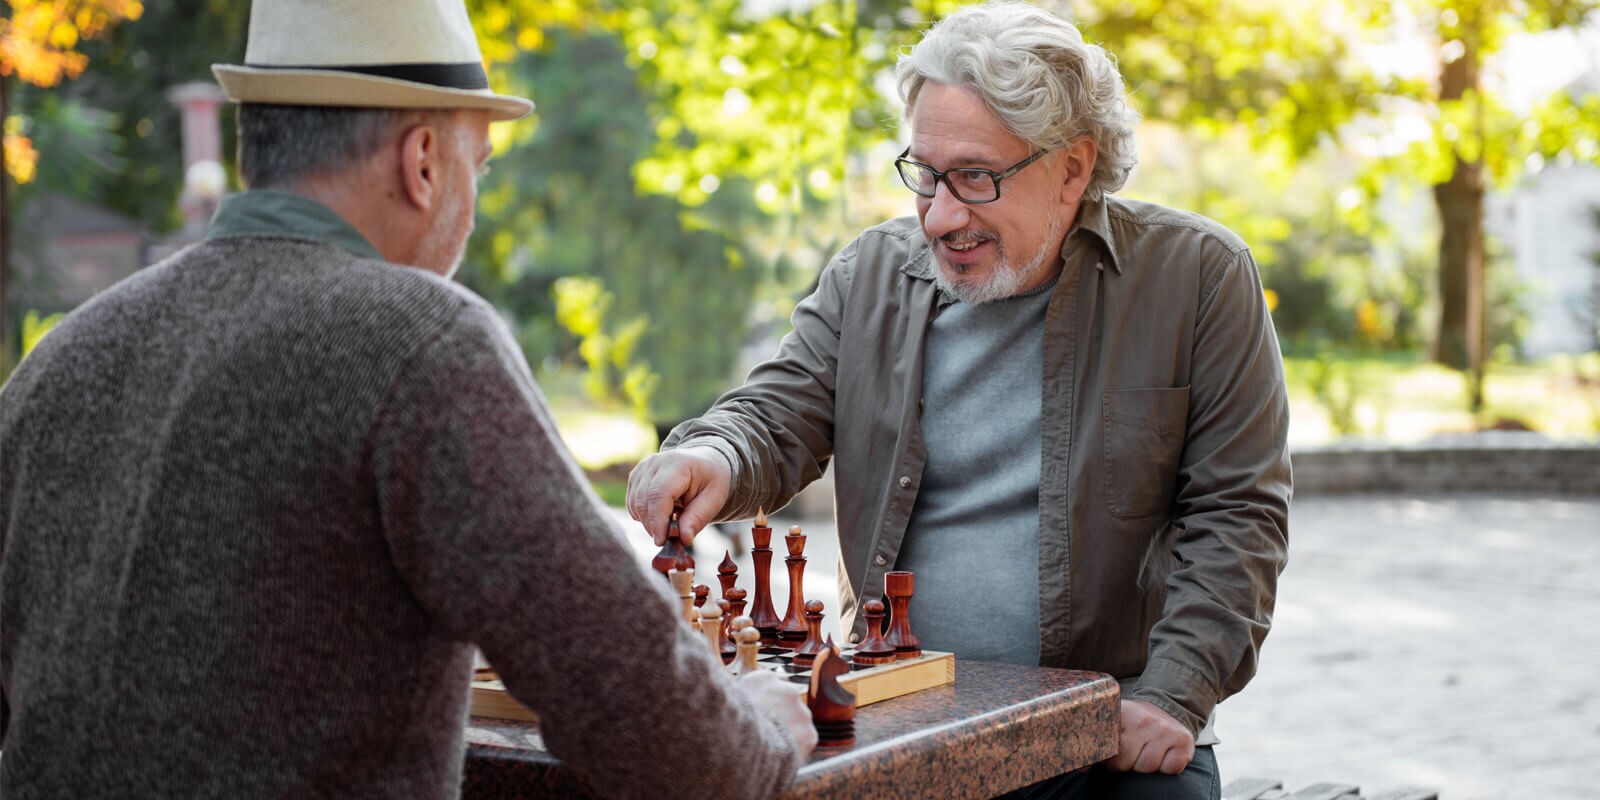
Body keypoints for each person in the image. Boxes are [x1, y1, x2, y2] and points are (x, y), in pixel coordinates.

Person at [0, 1, 814, 797]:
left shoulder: (61, 358)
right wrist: (762, 731)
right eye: (478, 164)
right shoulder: (418, 338)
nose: (473, 190)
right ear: (423, 161)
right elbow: (632, 695)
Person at [627, 2, 1291, 797]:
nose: (941, 216)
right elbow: (776, 415)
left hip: (1108, 732)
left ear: (1073, 168)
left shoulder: (1200, 278)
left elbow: (1238, 517)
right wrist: (713, 455)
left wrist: (1172, 695)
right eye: (925, 175)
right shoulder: (868, 273)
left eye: (976, 177)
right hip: (894, 723)